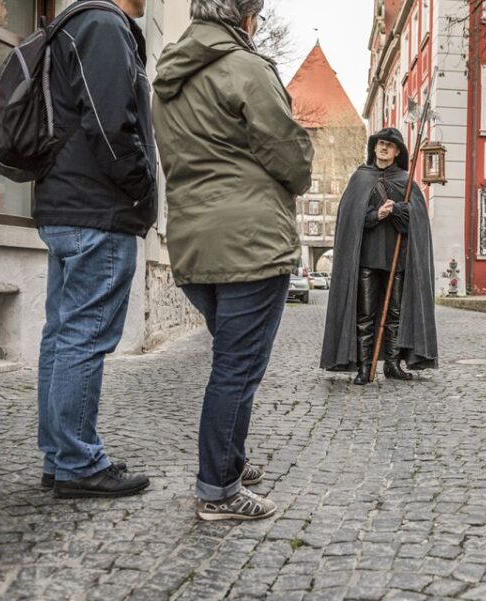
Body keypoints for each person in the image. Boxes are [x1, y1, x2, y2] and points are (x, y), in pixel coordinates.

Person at [152, 0, 314, 521]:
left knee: (232, 359)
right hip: (250, 240)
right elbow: (289, 153)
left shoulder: (169, 79)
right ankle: (218, 489)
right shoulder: (246, 68)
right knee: (237, 368)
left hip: (193, 241)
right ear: (244, 17)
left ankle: (230, 460)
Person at [35, 0, 155, 498]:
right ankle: (79, 463)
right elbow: (110, 123)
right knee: (83, 338)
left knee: (61, 336)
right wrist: (139, 186)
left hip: (65, 204)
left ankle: (60, 456)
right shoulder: (104, 25)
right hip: (96, 209)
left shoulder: (73, 23)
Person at [321, 128, 438, 384]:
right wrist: (377, 215)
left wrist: (397, 210)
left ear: (397, 152)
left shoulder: (406, 182)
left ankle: (393, 364)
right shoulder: (360, 179)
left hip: (397, 261)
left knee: (395, 314)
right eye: (380, 144)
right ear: (374, 148)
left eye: (390, 145)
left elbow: (416, 223)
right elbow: (351, 221)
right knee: (365, 315)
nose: (384, 148)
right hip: (367, 260)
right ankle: (365, 367)